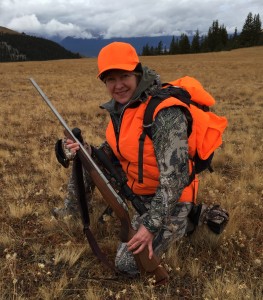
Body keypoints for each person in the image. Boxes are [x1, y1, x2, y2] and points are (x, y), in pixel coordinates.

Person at [53, 42, 228, 276]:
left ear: (137, 73)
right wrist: (80, 149)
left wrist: (150, 225)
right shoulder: (120, 109)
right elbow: (115, 150)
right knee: (88, 160)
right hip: (138, 187)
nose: (118, 85)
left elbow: (174, 179)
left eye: (124, 76)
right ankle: (72, 211)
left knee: (127, 264)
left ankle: (191, 218)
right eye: (110, 79)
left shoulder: (165, 113)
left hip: (172, 198)